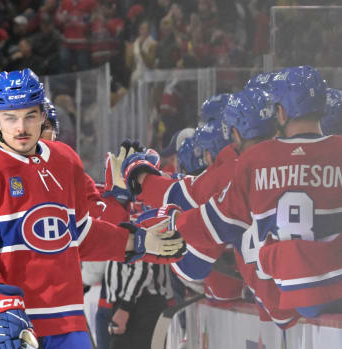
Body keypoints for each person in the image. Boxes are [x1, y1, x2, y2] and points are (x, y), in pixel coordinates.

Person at [0, 69, 184, 348]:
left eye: (30, 116)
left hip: (66, 321)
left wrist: (137, 240)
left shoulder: (65, 160)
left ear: (43, 114)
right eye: (11, 117)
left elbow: (80, 234)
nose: (21, 128)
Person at [141, 66, 341, 325]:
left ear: (280, 111)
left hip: (293, 295)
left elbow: (212, 223)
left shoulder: (256, 160)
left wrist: (159, 228)